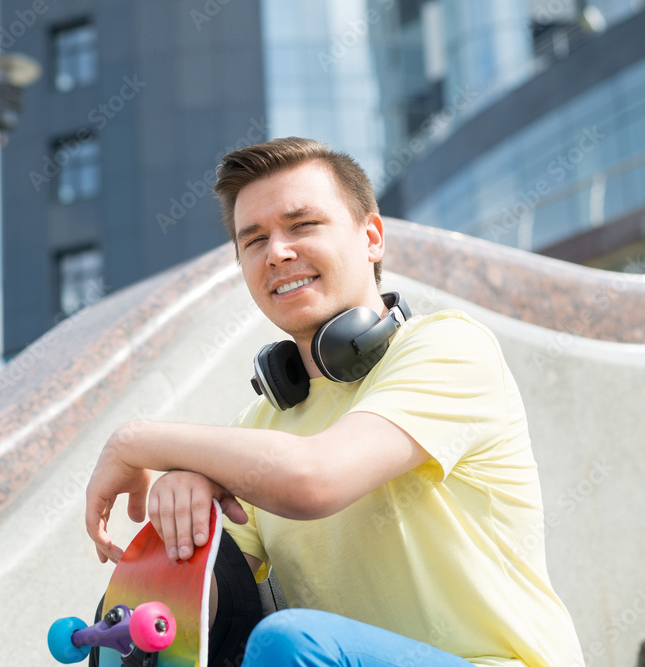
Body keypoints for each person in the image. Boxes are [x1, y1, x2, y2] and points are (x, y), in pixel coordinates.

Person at [84, 137, 584, 666]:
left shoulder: (448, 348)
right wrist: (173, 552)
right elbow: (211, 609)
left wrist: (136, 442)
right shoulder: (259, 428)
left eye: (302, 225)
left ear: (371, 237)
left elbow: (313, 480)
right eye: (253, 241)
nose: (277, 251)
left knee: (289, 643)